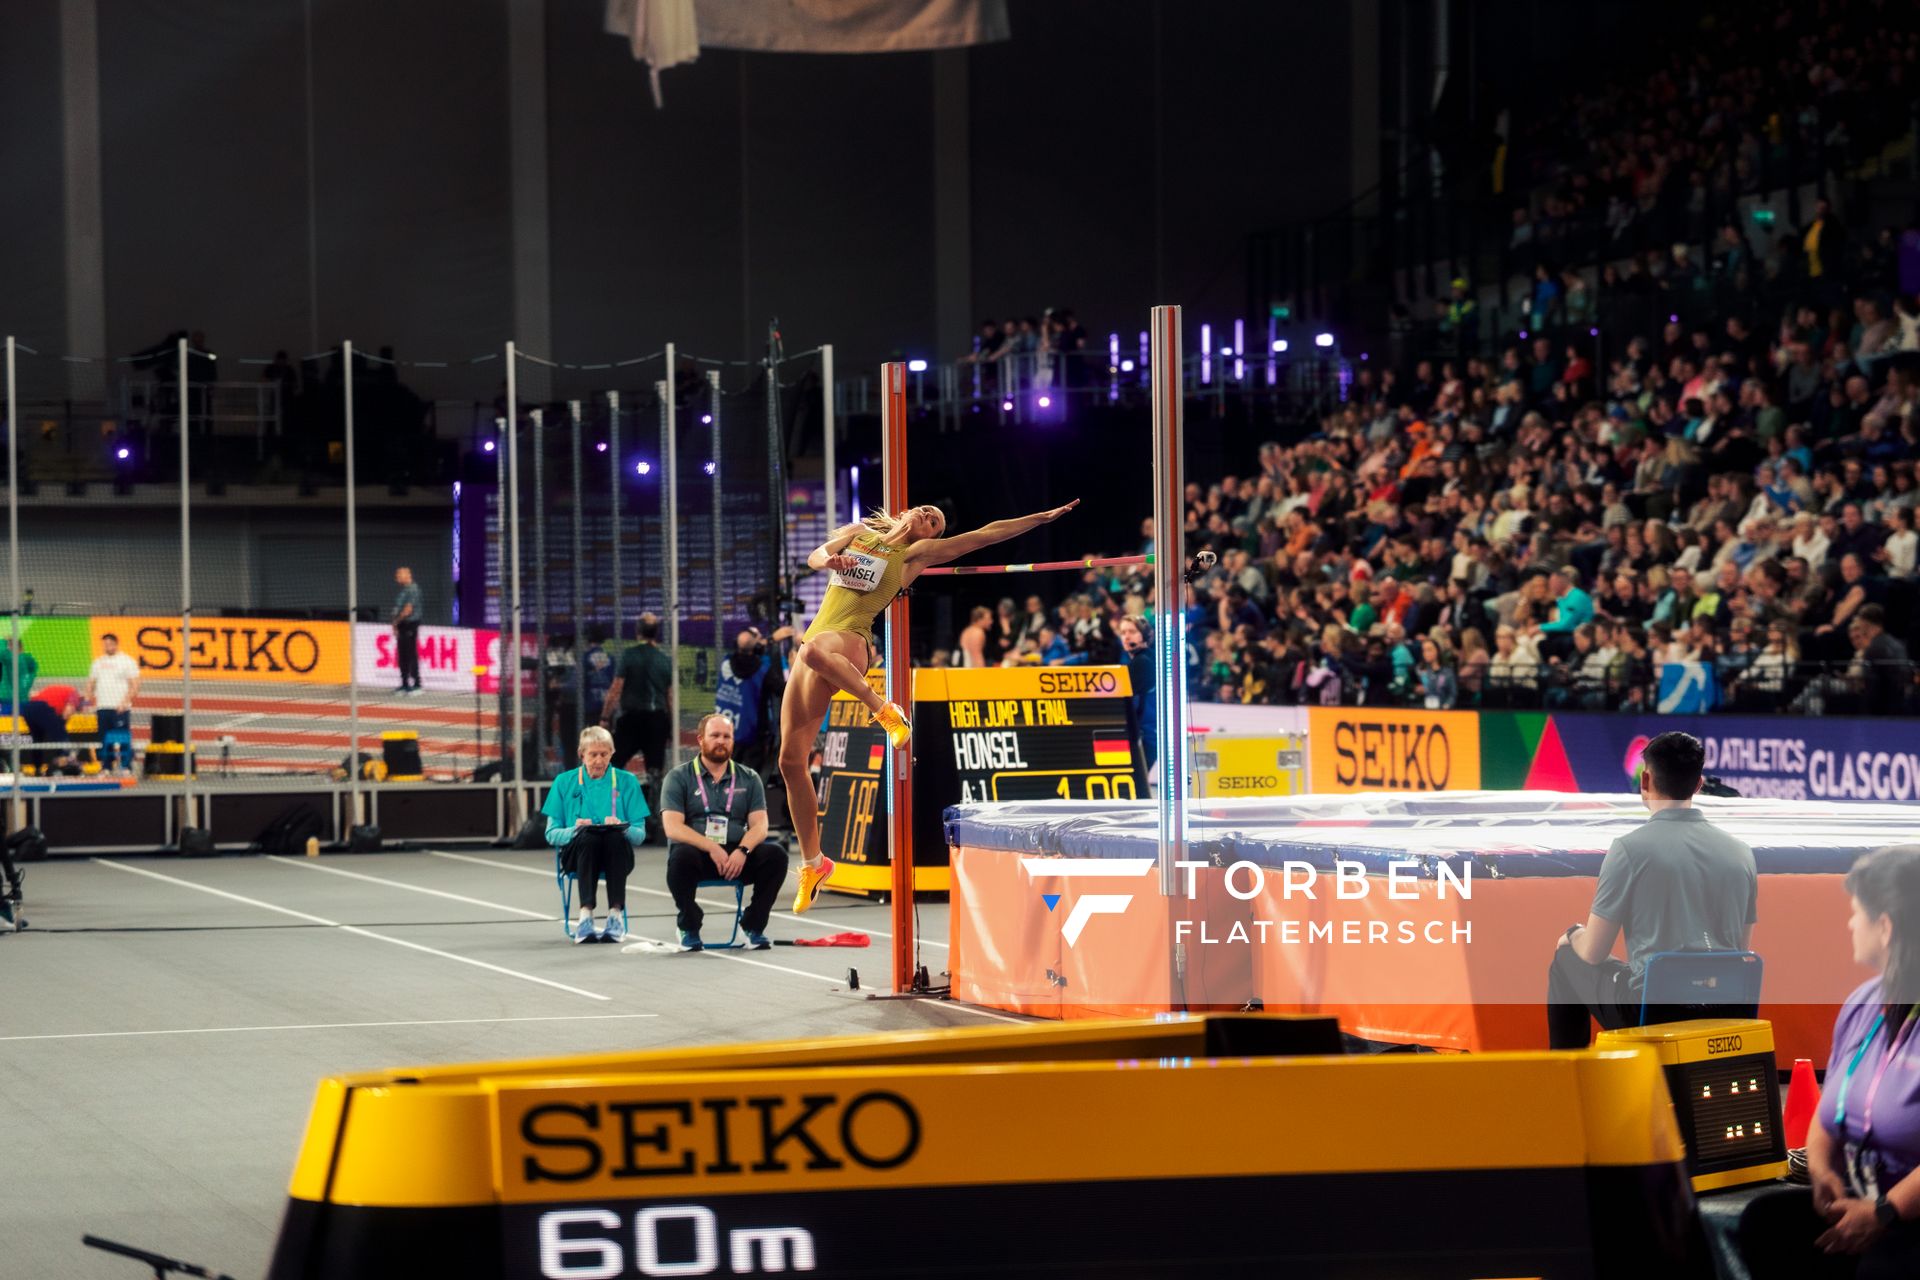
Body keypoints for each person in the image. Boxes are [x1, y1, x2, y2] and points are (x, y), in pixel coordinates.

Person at [778, 498, 1080, 911]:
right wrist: (828, 562)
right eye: (924, 510)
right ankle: (815, 863)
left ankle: (883, 708)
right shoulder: (857, 535)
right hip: (822, 631)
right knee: (790, 762)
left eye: (935, 520)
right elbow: (817, 555)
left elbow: (985, 534)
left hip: (852, 637)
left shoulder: (914, 554)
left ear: (932, 535)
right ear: (906, 513)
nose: (927, 515)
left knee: (810, 651)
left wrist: (1039, 517)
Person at [1738, 845, 1920, 1278]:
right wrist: (1820, 1172)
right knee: (1762, 1223)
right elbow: (1827, 1113)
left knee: (1882, 1268)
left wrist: (1885, 1213)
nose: (1850, 923)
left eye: (1857, 913)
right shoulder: (1862, 1004)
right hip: (1864, 1202)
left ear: (1886, 927)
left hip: (1903, 1218)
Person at [1546, 730, 1758, 1049]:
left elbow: (1593, 953)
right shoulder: (1741, 853)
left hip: (1654, 1012)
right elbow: (1738, 949)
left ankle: (1565, 1084)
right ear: (1699, 785)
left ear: (1645, 781)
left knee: (1566, 958)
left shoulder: (1630, 850)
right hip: (1725, 1009)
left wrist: (1573, 933)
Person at [660, 714, 789, 950]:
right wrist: (711, 847)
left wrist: (743, 850)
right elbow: (672, 827)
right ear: (700, 740)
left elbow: (760, 825)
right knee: (680, 858)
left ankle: (752, 926)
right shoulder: (678, 777)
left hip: (736, 856)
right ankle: (688, 926)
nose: (721, 741)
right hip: (699, 854)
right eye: (715, 736)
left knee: (776, 855)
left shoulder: (749, 778)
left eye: (726, 736)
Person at [541, 725, 650, 943]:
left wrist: (624, 826)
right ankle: (585, 916)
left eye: (604, 754)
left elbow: (639, 836)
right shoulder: (564, 782)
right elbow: (551, 834)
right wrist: (575, 829)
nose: (599, 760)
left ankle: (615, 916)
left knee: (614, 835)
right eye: (593, 755)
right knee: (588, 836)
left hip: (617, 853)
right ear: (582, 754)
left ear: (612, 754)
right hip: (578, 855)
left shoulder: (627, 781)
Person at [601, 612, 673, 816]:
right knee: (655, 770)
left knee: (612, 762)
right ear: (656, 633)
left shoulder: (629, 655)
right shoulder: (664, 659)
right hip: (657, 719)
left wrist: (605, 717)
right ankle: (656, 816)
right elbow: (669, 696)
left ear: (638, 631)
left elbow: (616, 688)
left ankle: (612, 809)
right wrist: (671, 724)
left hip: (631, 719)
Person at [714, 628, 782, 775]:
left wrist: (763, 642)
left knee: (726, 776)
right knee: (750, 779)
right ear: (756, 647)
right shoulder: (763, 670)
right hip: (754, 734)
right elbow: (782, 689)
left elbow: (744, 654)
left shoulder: (726, 662)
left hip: (728, 732)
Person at [85, 633, 141, 775]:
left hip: (120, 708)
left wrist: (125, 702)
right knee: (103, 739)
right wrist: (87, 699)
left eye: (110, 643)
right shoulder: (97, 663)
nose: (107, 646)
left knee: (122, 738)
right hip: (103, 707)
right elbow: (91, 683)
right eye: (105, 644)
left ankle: (126, 767)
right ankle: (106, 767)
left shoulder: (126, 661)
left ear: (116, 644)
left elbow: (135, 685)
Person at [391, 567, 423, 694]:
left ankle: (417, 684)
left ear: (407, 575)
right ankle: (404, 684)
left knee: (410, 654)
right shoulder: (404, 591)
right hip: (402, 626)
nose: (397, 577)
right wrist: (395, 625)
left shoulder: (413, 589)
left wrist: (396, 621)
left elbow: (408, 610)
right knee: (402, 655)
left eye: (399, 574)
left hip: (410, 625)